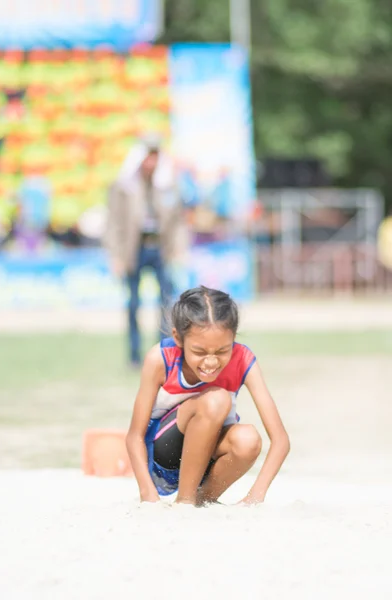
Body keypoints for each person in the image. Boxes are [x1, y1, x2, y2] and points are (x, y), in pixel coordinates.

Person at [126, 286, 290, 506]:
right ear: (178, 338)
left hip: (206, 462)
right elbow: (134, 436)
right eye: (199, 352)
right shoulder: (160, 360)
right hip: (163, 460)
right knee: (217, 400)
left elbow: (280, 440)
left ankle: (202, 500)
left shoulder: (244, 360)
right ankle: (185, 501)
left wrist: (255, 496)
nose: (211, 362)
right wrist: (149, 497)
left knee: (248, 440)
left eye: (223, 351)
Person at [104, 135, 188, 368]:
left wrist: (179, 249)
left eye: (155, 157)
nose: (151, 163)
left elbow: (178, 220)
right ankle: (133, 354)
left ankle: (164, 352)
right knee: (133, 304)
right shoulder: (124, 186)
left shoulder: (167, 185)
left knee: (167, 303)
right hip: (134, 249)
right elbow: (113, 221)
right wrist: (116, 255)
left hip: (160, 248)